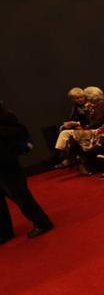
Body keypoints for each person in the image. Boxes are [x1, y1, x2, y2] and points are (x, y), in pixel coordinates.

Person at [0, 102, 53, 243]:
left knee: (20, 195)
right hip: (5, 160)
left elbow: (19, 133)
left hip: (6, 162)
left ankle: (42, 222)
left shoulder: (5, 115)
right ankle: (4, 233)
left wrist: (20, 148)